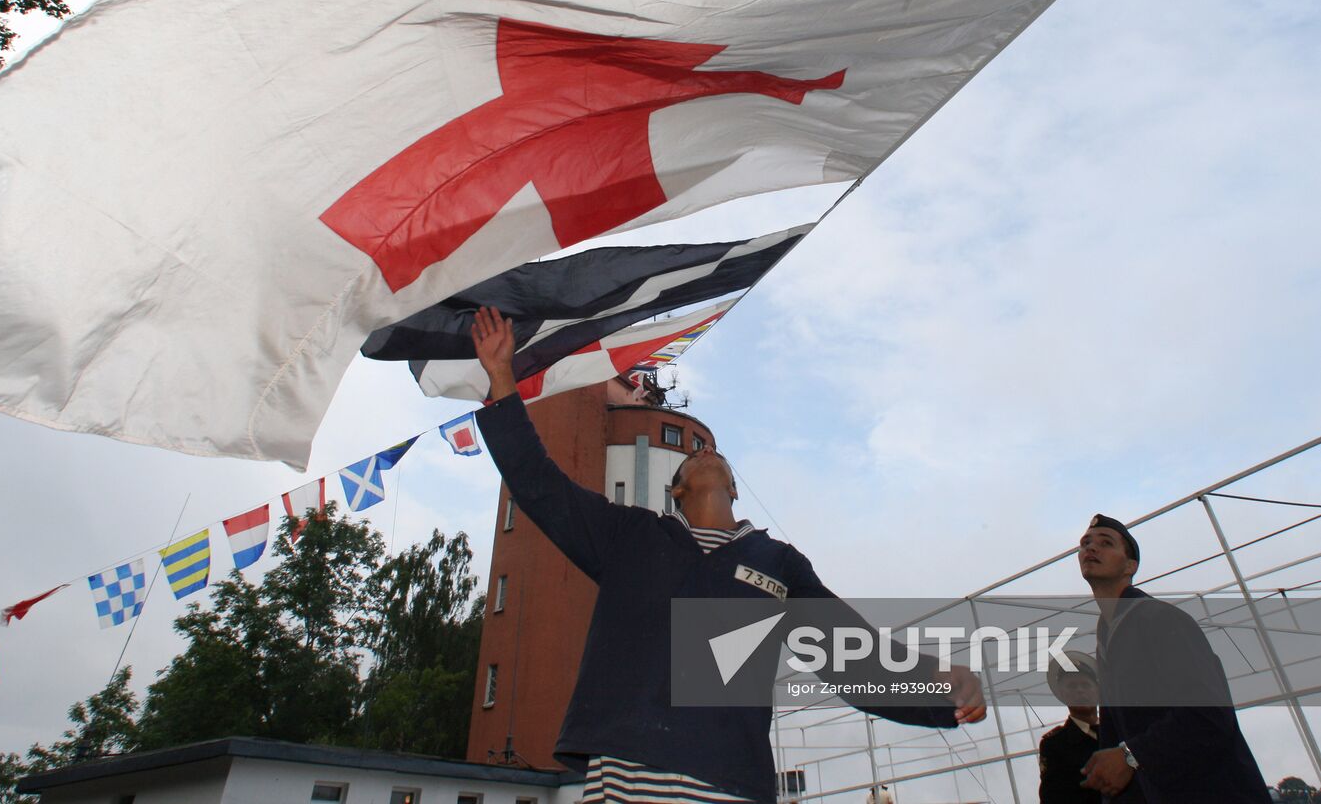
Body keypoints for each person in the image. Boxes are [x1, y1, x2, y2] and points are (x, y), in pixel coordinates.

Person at [469, 306, 986, 803]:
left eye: (714, 451)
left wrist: (941, 687)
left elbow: (852, 656)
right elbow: (540, 486)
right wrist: (500, 378)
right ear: (675, 491)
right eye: (693, 452)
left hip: (731, 777)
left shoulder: (778, 562)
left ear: (734, 491)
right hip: (626, 774)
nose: (706, 451)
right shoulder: (630, 536)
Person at [1077, 514, 1269, 802]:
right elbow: (1117, 736)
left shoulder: (1160, 619)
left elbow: (1209, 715)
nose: (1091, 548)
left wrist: (1131, 756)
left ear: (1131, 566)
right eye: (1086, 543)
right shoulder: (1106, 638)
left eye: (1106, 543)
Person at [1038, 649, 1100, 804]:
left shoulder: (1119, 730)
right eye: (1072, 686)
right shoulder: (1054, 744)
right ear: (1061, 694)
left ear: (1098, 691)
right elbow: (1052, 796)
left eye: (1085, 685)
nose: (1080, 690)